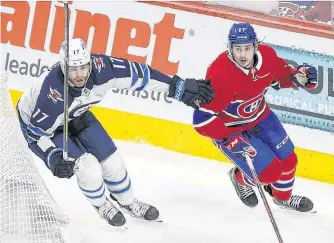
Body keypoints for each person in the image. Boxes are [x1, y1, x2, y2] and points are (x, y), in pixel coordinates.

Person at [17, 38, 214, 227]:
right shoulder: (52, 95)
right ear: (62, 67)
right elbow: (35, 134)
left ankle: (128, 202)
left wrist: (177, 87)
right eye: (73, 69)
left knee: (113, 162)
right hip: (45, 127)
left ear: (90, 63)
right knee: (88, 167)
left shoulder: (104, 68)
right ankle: (102, 205)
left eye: (83, 67)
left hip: (76, 114)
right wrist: (51, 157)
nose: (79, 75)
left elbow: (140, 75)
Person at [193, 22, 318, 212]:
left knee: (289, 161)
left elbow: (281, 75)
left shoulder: (267, 56)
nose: (242, 55)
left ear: (255, 47)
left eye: (247, 48)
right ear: (229, 48)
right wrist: (229, 139)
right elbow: (201, 119)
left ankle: (282, 198)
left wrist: (297, 78)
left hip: (261, 117)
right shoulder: (220, 74)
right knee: (269, 173)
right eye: (237, 49)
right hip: (233, 131)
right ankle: (239, 177)